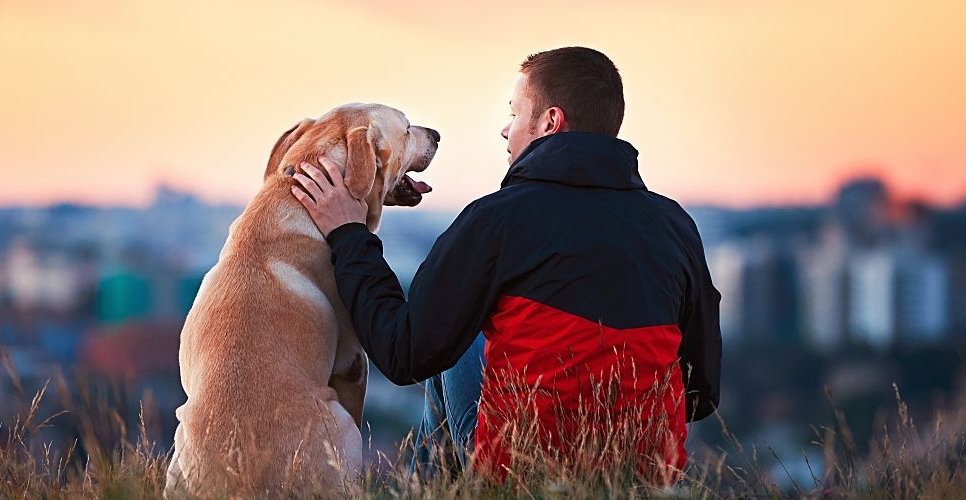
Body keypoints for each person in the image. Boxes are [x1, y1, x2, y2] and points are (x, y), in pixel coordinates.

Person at [289, 46, 721, 480]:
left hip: (523, 473)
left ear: (550, 122)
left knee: (451, 349)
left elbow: (403, 353)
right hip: (645, 476)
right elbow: (701, 392)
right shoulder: (675, 226)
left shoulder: (497, 218)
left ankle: (427, 491)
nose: (504, 130)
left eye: (514, 114)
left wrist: (349, 234)